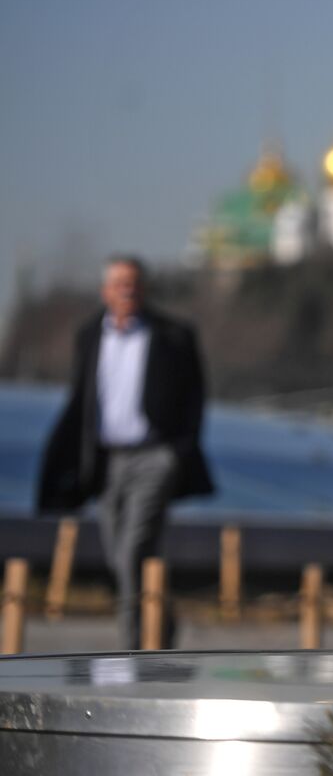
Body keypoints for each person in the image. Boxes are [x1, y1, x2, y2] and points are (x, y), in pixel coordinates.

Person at [36, 255, 213, 650]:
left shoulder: (173, 335)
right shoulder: (89, 336)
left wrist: (177, 452)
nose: (126, 290)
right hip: (108, 460)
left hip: (155, 457)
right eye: (118, 283)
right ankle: (160, 626)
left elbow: (195, 396)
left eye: (132, 282)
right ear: (106, 291)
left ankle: (134, 649)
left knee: (134, 547)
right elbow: (82, 400)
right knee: (120, 555)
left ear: (144, 289)